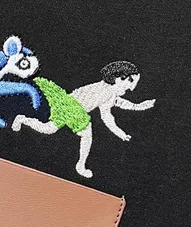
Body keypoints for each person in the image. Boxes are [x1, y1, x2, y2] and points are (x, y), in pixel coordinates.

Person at [12, 61, 156, 178]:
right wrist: (136, 108)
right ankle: (80, 165)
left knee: (48, 128)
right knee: (85, 133)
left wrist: (126, 124)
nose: (132, 88)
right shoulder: (105, 90)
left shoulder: (109, 93)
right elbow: (112, 109)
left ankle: (23, 119)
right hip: (72, 107)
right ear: (119, 78)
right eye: (131, 81)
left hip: (67, 105)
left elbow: (110, 113)